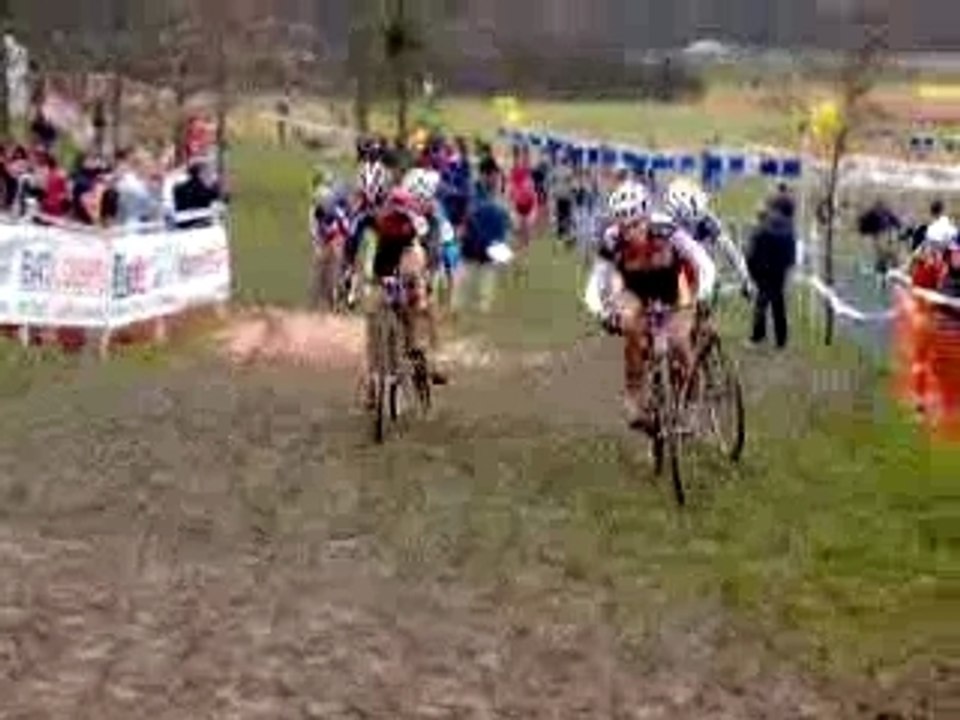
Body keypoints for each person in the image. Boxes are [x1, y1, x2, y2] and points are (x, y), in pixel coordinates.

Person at [587, 180, 717, 431]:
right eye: (624, 226)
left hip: (674, 284)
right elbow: (595, 282)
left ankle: (690, 403)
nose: (631, 232)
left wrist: (703, 292)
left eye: (636, 223)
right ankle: (635, 395)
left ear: (647, 217)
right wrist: (601, 312)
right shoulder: (612, 238)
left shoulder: (666, 228)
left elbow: (703, 261)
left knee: (679, 340)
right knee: (630, 326)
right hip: (636, 287)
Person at [662, 177, 753, 293]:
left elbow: (729, 249)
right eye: (686, 221)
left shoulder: (706, 220)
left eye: (696, 219)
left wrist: (745, 277)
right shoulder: (663, 223)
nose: (691, 224)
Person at [455, 176, 512, 316]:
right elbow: (506, 229)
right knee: (487, 278)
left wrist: (461, 237)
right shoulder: (500, 208)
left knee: (464, 277)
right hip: (491, 248)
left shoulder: (472, 206)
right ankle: (483, 307)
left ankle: (457, 305)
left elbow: (464, 227)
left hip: (471, 247)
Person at [746, 201, 797, 350]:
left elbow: (751, 254)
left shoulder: (760, 230)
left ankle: (757, 337)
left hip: (764, 273)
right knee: (778, 305)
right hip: (779, 272)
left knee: (761, 305)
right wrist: (788, 266)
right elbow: (791, 251)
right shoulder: (788, 227)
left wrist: (751, 272)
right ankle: (781, 340)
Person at [173, 158, 221, 228]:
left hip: (182, 225)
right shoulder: (203, 190)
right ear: (200, 173)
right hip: (198, 226)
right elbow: (222, 197)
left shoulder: (178, 187)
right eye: (207, 172)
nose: (209, 174)